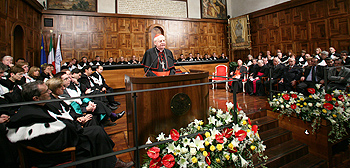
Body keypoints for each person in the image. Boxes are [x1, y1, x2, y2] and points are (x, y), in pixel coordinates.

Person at [6, 81, 133, 168]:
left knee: (95, 130)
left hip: (66, 136)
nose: (50, 92)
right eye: (46, 91)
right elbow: (52, 139)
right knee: (96, 133)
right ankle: (112, 163)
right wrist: (75, 126)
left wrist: (74, 124)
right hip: (54, 153)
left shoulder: (39, 106)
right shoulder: (30, 115)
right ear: (35, 98)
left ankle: (112, 162)